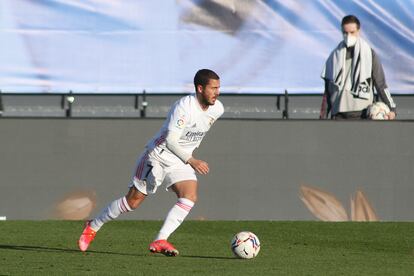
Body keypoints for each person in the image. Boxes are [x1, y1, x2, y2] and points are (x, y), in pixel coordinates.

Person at [78, 69, 224, 256]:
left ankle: (160, 240)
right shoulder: (184, 107)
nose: (217, 92)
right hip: (158, 156)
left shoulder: (217, 109)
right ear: (200, 88)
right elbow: (171, 141)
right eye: (213, 88)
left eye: (219, 88)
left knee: (189, 196)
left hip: (180, 160)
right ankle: (93, 226)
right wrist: (192, 160)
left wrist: (188, 157)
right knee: (132, 203)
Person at [320, 15, 396, 120]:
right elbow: (328, 90)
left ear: (358, 31)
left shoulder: (369, 54)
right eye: (345, 33)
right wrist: (322, 117)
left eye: (352, 32)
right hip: (338, 114)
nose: (348, 36)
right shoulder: (333, 56)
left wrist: (392, 108)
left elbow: (380, 84)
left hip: (362, 113)